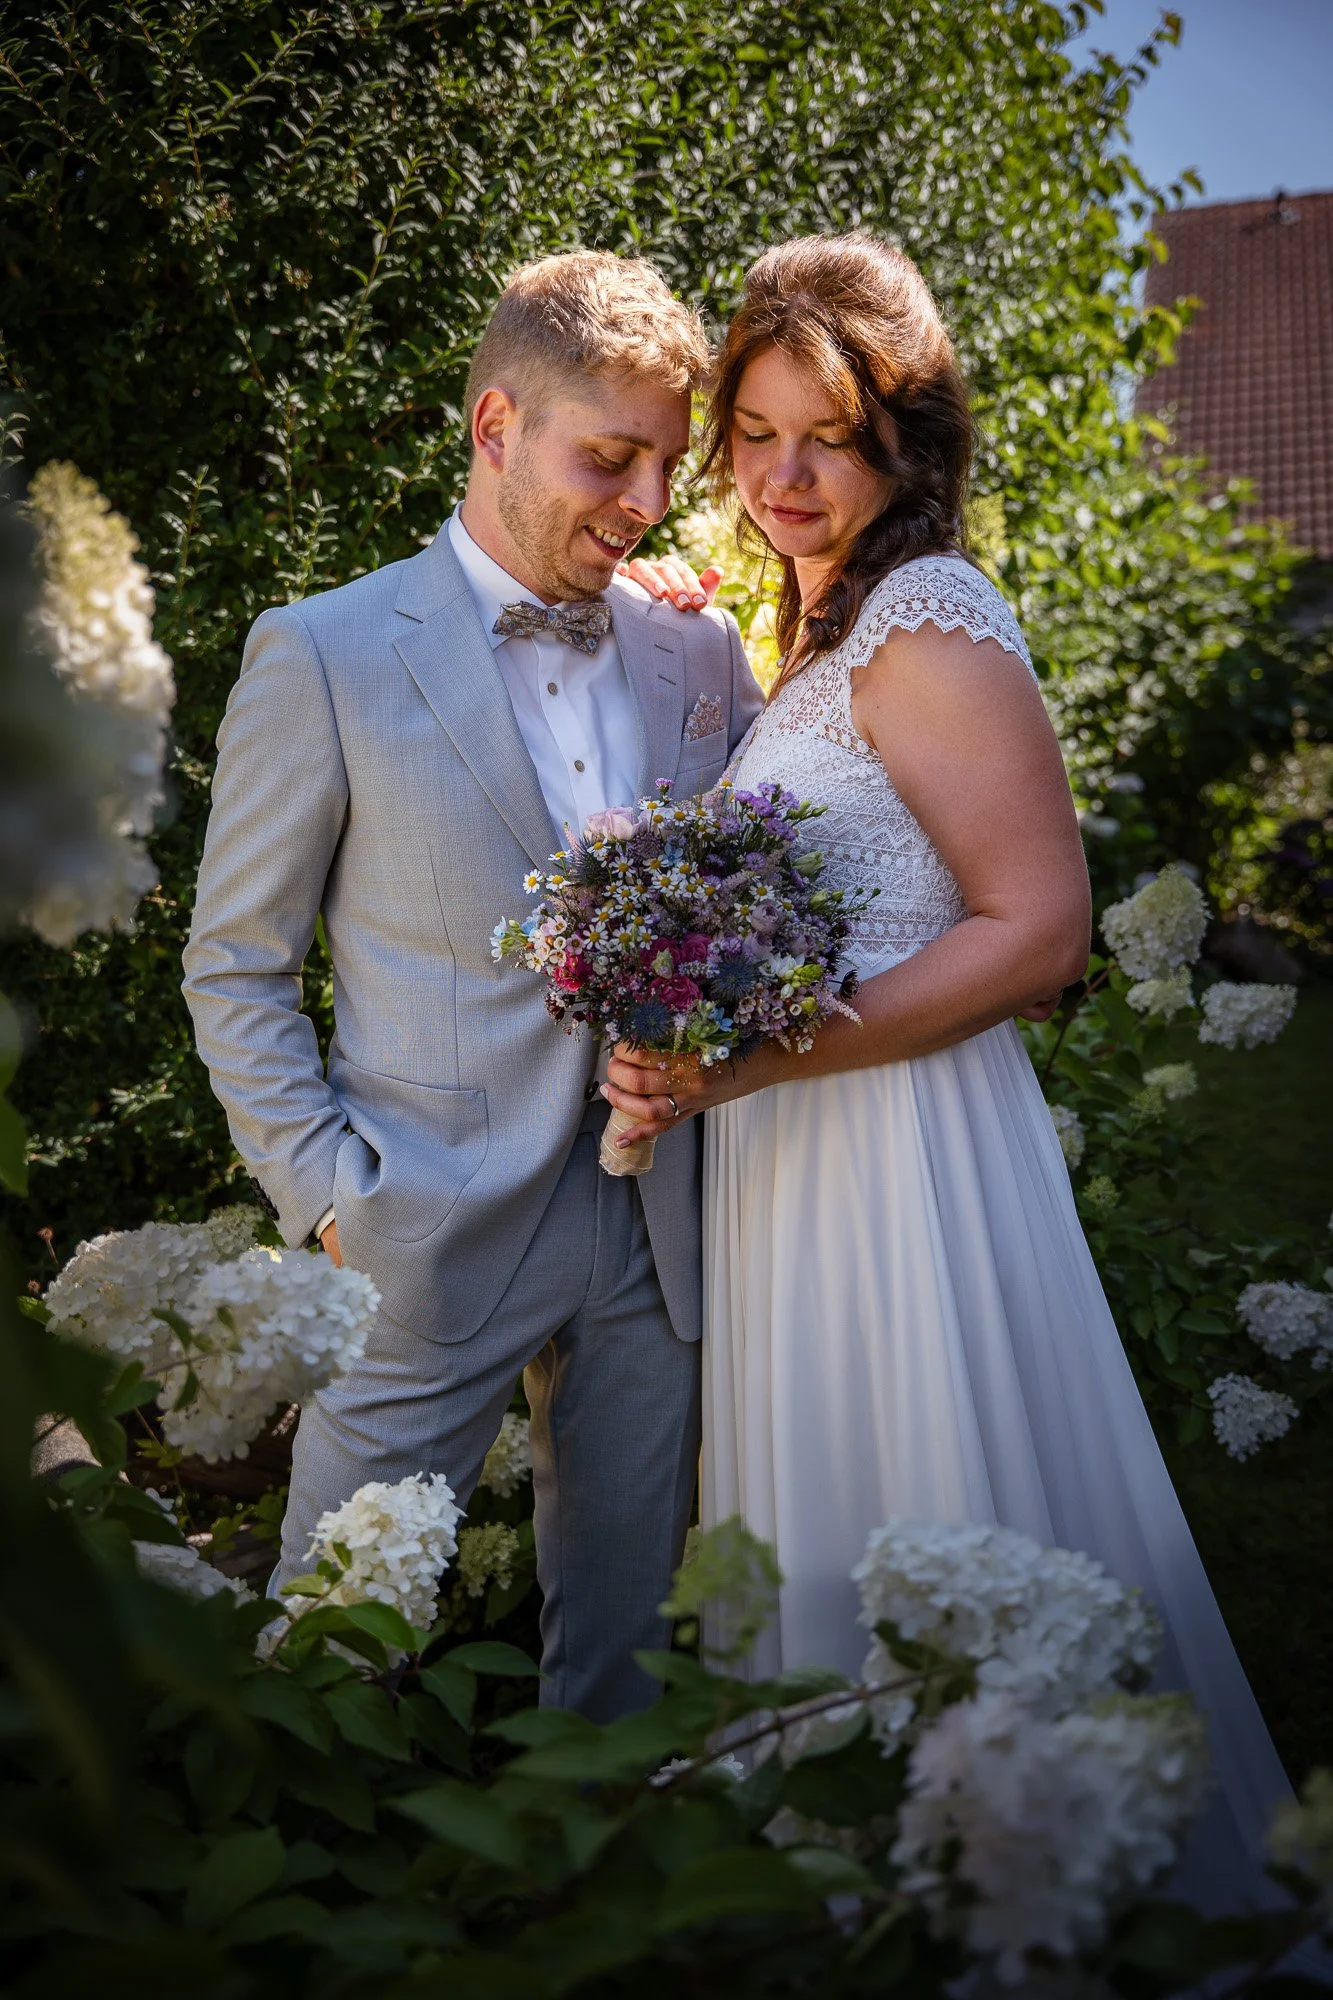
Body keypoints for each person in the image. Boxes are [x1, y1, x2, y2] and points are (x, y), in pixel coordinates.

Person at [606, 233, 1303, 1913]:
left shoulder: (924, 619)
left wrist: (762, 1060)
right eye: (753, 433)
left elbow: (1042, 928)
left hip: (895, 1163)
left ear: (903, 441)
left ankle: (1025, 1893)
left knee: (934, 1507)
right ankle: (873, 1891)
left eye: (824, 438)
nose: (780, 474)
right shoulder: (824, 627)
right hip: (803, 1152)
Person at [182, 250, 763, 1720]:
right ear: (497, 427)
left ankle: (597, 1915)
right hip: (419, 1233)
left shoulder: (697, 643)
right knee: (331, 1653)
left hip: (660, 1232)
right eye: (608, 457)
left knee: (626, 1673)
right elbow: (235, 963)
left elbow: (766, 869)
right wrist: (326, 1197)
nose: (641, 501)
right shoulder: (321, 655)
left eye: (664, 466)